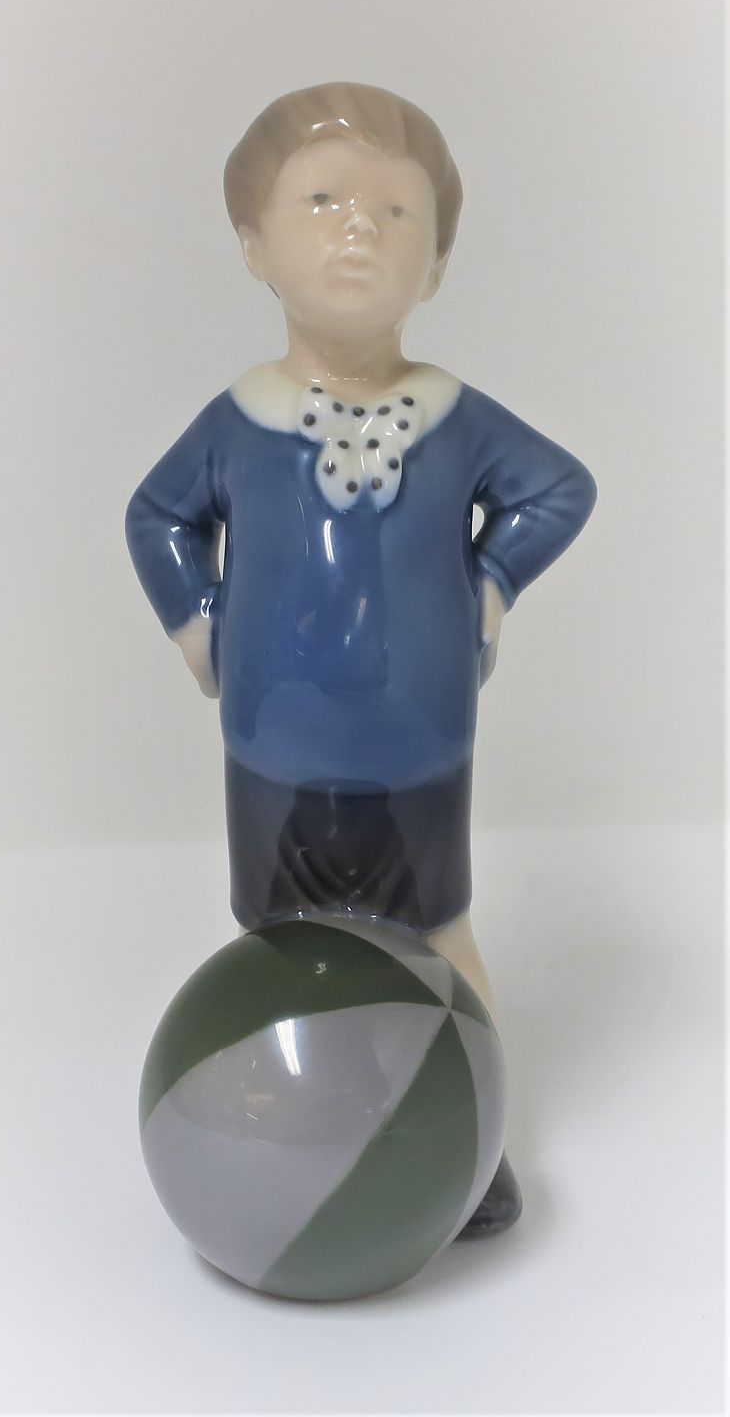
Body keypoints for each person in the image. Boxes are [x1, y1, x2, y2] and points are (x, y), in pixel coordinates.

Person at [125, 81, 597, 1237]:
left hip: (418, 745)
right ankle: (278, 1136)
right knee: (279, 948)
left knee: (437, 934)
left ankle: (473, 1145)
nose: (358, 231)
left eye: (394, 212)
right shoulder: (238, 419)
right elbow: (156, 516)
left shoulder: (453, 416)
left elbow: (558, 488)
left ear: (433, 265)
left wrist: (490, 585)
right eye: (323, 202)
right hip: (271, 746)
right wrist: (200, 627)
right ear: (253, 246)